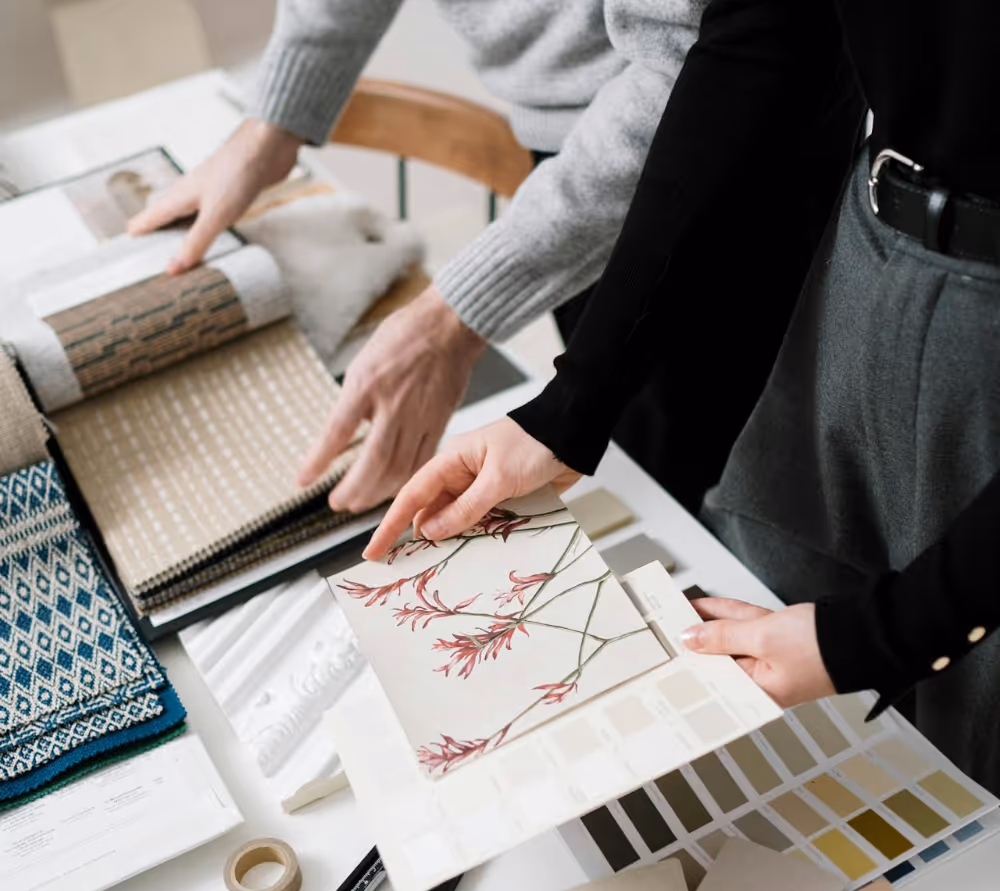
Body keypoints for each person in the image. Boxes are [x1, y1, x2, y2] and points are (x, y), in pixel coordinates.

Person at [365, 0, 1000, 793]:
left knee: (971, 763)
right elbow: (761, 39)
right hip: (870, 260)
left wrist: (885, 636)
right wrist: (569, 410)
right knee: (771, 732)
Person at [130, 0, 859, 516]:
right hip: (593, 135)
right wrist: (273, 126)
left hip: (734, 152)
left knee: (728, 496)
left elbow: (709, 60)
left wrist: (453, 317)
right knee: (637, 461)